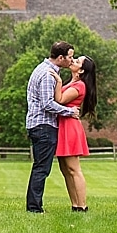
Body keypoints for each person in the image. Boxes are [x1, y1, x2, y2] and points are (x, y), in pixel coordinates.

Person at [25, 41, 79, 213]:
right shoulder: (48, 75)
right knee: (42, 168)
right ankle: (34, 208)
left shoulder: (44, 69)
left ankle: (34, 205)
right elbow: (47, 104)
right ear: (61, 57)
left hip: (38, 125)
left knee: (40, 167)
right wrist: (69, 112)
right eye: (69, 57)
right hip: (43, 126)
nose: (71, 60)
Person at [54, 55, 97, 212]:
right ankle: (75, 204)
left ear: (81, 70)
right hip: (62, 126)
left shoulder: (79, 86)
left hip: (69, 128)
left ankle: (82, 205)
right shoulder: (72, 83)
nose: (73, 61)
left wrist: (58, 82)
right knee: (65, 170)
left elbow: (59, 99)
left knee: (74, 169)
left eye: (77, 61)